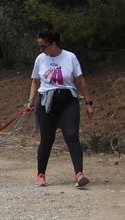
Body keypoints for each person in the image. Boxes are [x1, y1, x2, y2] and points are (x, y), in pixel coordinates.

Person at [27, 22, 94, 187]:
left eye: (43, 47)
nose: (41, 50)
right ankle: (41, 175)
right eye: (40, 47)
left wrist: (88, 103)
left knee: (71, 136)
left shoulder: (70, 57)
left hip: (68, 101)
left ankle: (79, 174)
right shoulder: (40, 59)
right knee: (47, 139)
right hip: (46, 102)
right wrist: (31, 101)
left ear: (53, 44)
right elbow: (35, 82)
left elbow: (80, 81)